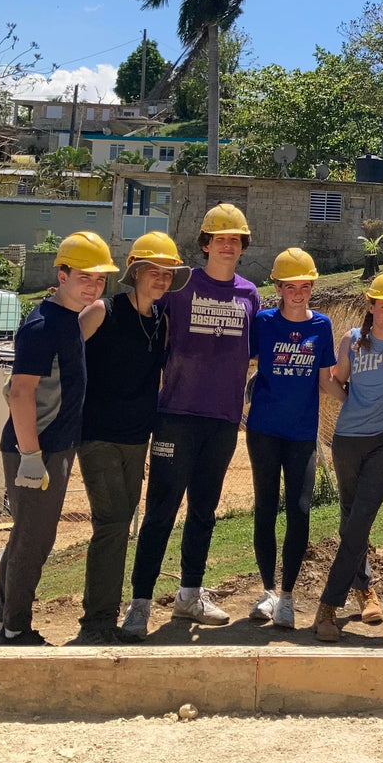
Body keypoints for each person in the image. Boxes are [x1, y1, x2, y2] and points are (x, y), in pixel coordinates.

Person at [0, 233, 116, 646]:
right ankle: (16, 630)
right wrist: (31, 455)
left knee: (26, 537)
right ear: (62, 275)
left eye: (99, 279)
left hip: (52, 446)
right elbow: (20, 392)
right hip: (37, 449)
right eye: (84, 277)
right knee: (34, 542)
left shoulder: (66, 320)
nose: (92, 286)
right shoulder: (42, 326)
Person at [125, 203, 261, 639]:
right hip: (176, 415)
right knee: (161, 511)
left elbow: (254, 351)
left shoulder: (250, 294)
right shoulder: (181, 287)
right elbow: (147, 325)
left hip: (222, 420)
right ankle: (140, 603)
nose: (227, 244)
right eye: (219, 237)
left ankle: (189, 595)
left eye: (235, 239)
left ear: (242, 247)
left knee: (204, 511)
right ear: (205, 244)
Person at [73, 232, 182, 644]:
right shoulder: (103, 310)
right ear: (135, 272)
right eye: (153, 272)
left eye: (168, 274)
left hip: (138, 439)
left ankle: (105, 618)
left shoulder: (161, 321)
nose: (161, 280)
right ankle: (97, 623)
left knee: (119, 523)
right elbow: (62, 356)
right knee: (113, 523)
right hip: (97, 435)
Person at [314, 271, 383, 642]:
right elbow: (333, 379)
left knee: (359, 521)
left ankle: (327, 605)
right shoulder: (353, 340)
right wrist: (349, 400)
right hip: (346, 441)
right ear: (370, 305)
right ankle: (365, 590)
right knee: (349, 519)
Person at [245, 248, 339, 631]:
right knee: (265, 509)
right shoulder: (263, 323)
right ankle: (267, 592)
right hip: (264, 431)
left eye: (304, 286)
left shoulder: (322, 326)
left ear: (312, 287)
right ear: (278, 287)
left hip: (302, 434)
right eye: (290, 286)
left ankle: (287, 596)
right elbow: (244, 365)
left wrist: (358, 404)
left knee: (300, 512)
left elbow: (326, 379)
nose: (298, 293)